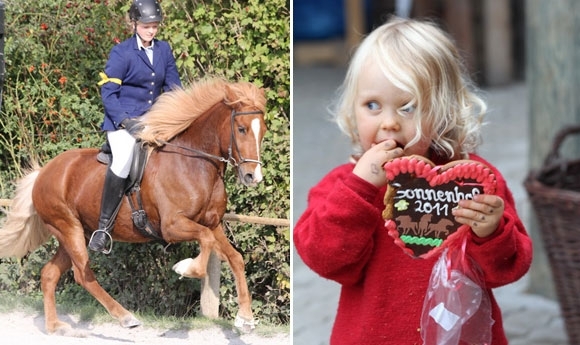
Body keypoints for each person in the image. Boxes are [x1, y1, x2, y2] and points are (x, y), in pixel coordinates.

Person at [293, 17, 532, 345]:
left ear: (444, 110)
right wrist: (360, 188)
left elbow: (508, 269)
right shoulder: (344, 185)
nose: (389, 123)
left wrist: (490, 233)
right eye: (372, 105)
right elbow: (326, 259)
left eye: (408, 107)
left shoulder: (473, 181)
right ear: (352, 109)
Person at [89, 0, 182, 253]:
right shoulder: (122, 53)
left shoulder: (164, 51)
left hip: (153, 121)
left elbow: (174, 88)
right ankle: (103, 228)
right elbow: (109, 93)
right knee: (123, 158)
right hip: (122, 121)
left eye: (154, 26)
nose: (151, 31)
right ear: (134, 24)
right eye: (146, 26)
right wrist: (125, 121)